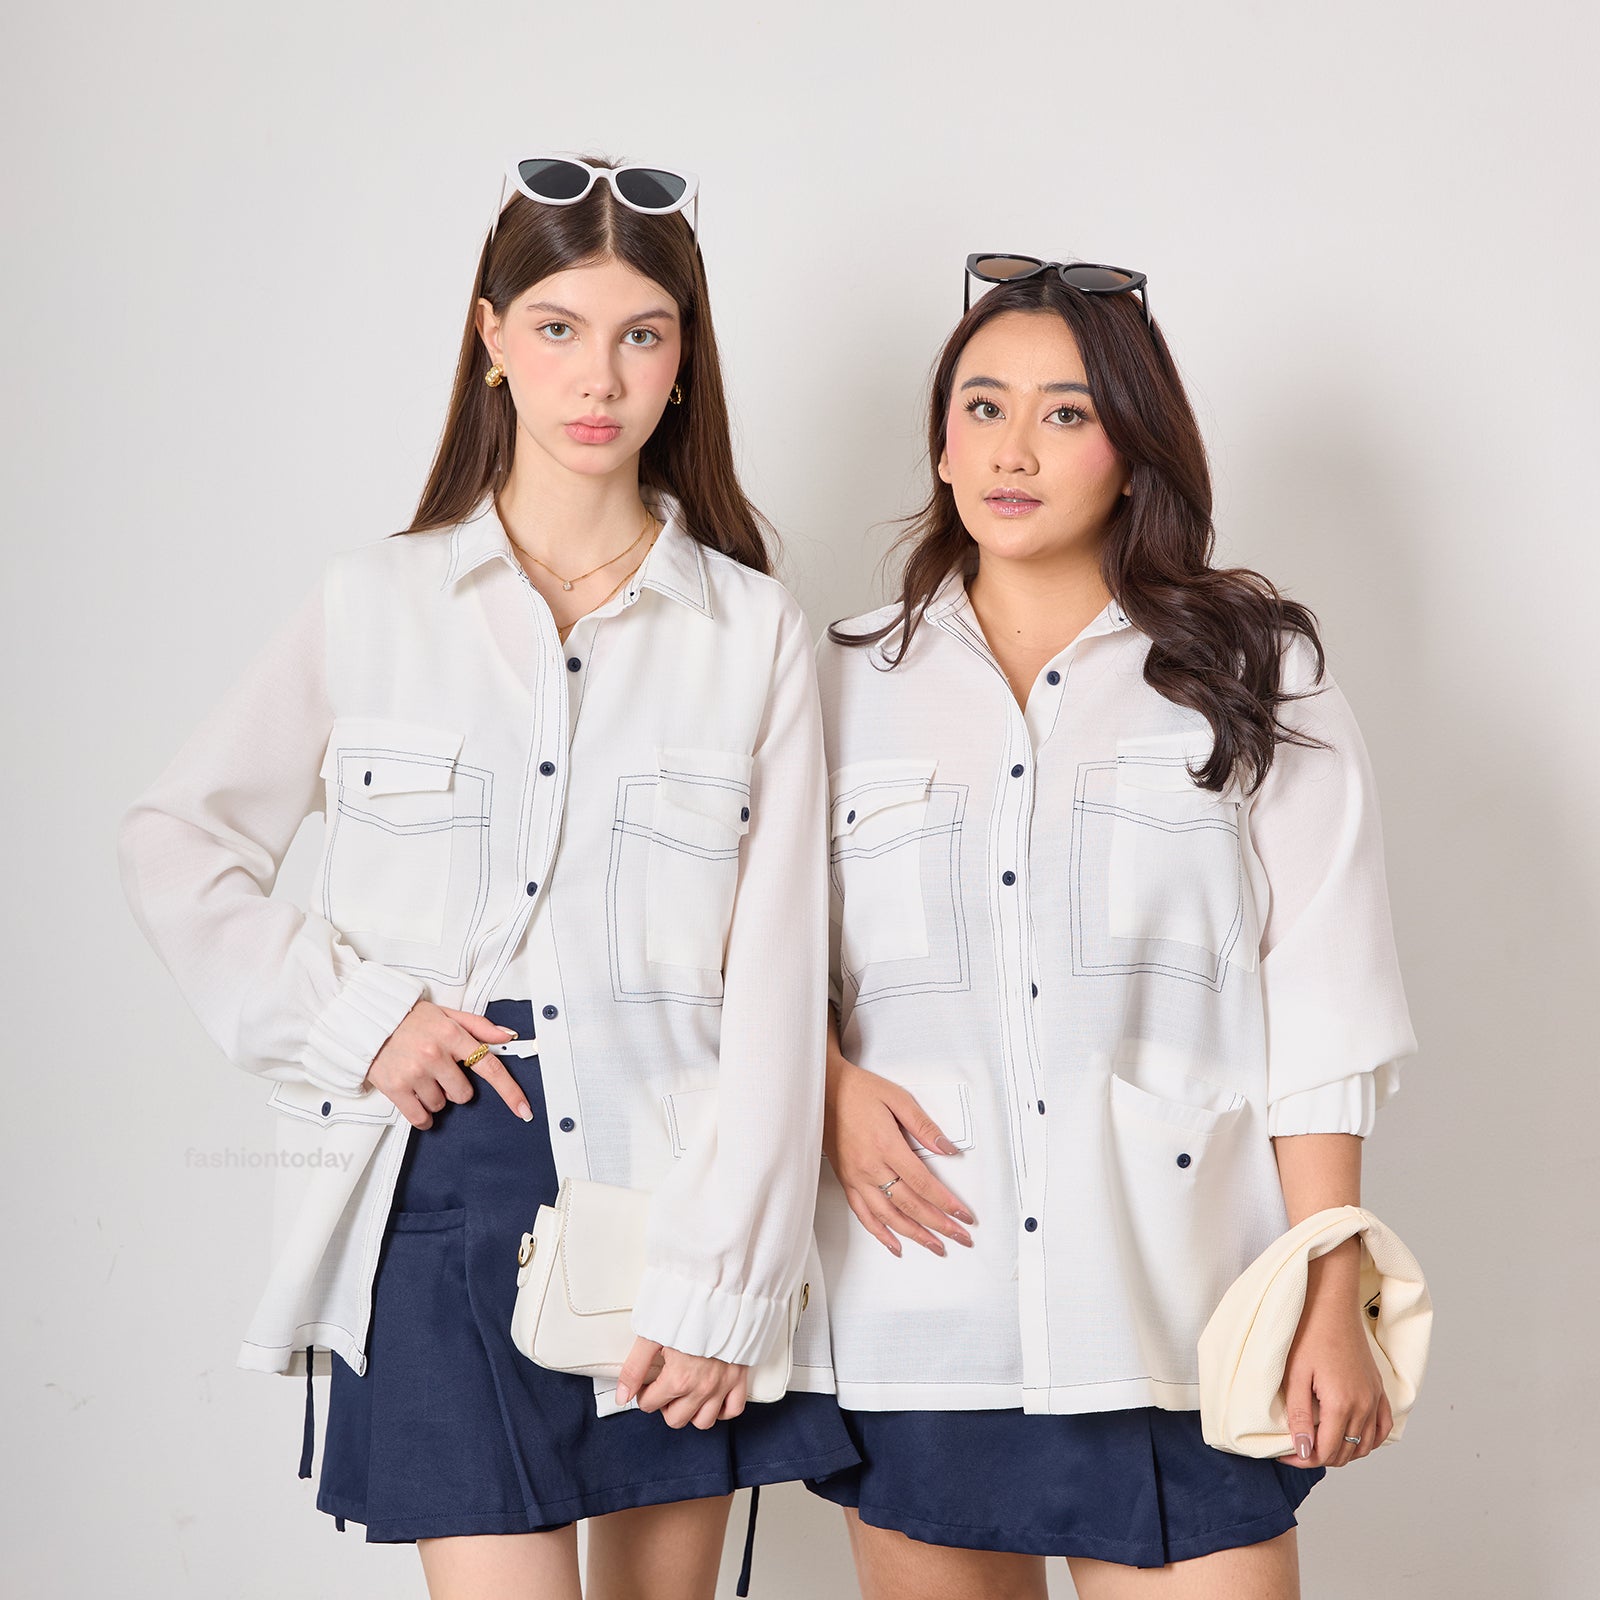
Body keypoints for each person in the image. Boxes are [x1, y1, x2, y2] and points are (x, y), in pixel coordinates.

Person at [117, 153, 855, 1600]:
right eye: (560, 328)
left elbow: (776, 988)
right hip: (438, 1188)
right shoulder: (374, 604)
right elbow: (176, 838)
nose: (601, 376)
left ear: (684, 363)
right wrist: (359, 1020)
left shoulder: (754, 633)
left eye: (643, 334)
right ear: (492, 336)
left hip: (672, 1200)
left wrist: (735, 1280)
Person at [803, 255, 1417, 1599]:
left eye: (1067, 413)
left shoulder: (1258, 671)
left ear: (1135, 453)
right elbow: (759, 961)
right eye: (982, 406)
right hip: (921, 1307)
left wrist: (1331, 1286)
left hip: (1184, 1305)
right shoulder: (836, 683)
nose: (1012, 450)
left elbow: (1325, 1006)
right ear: (941, 440)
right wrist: (827, 1084)